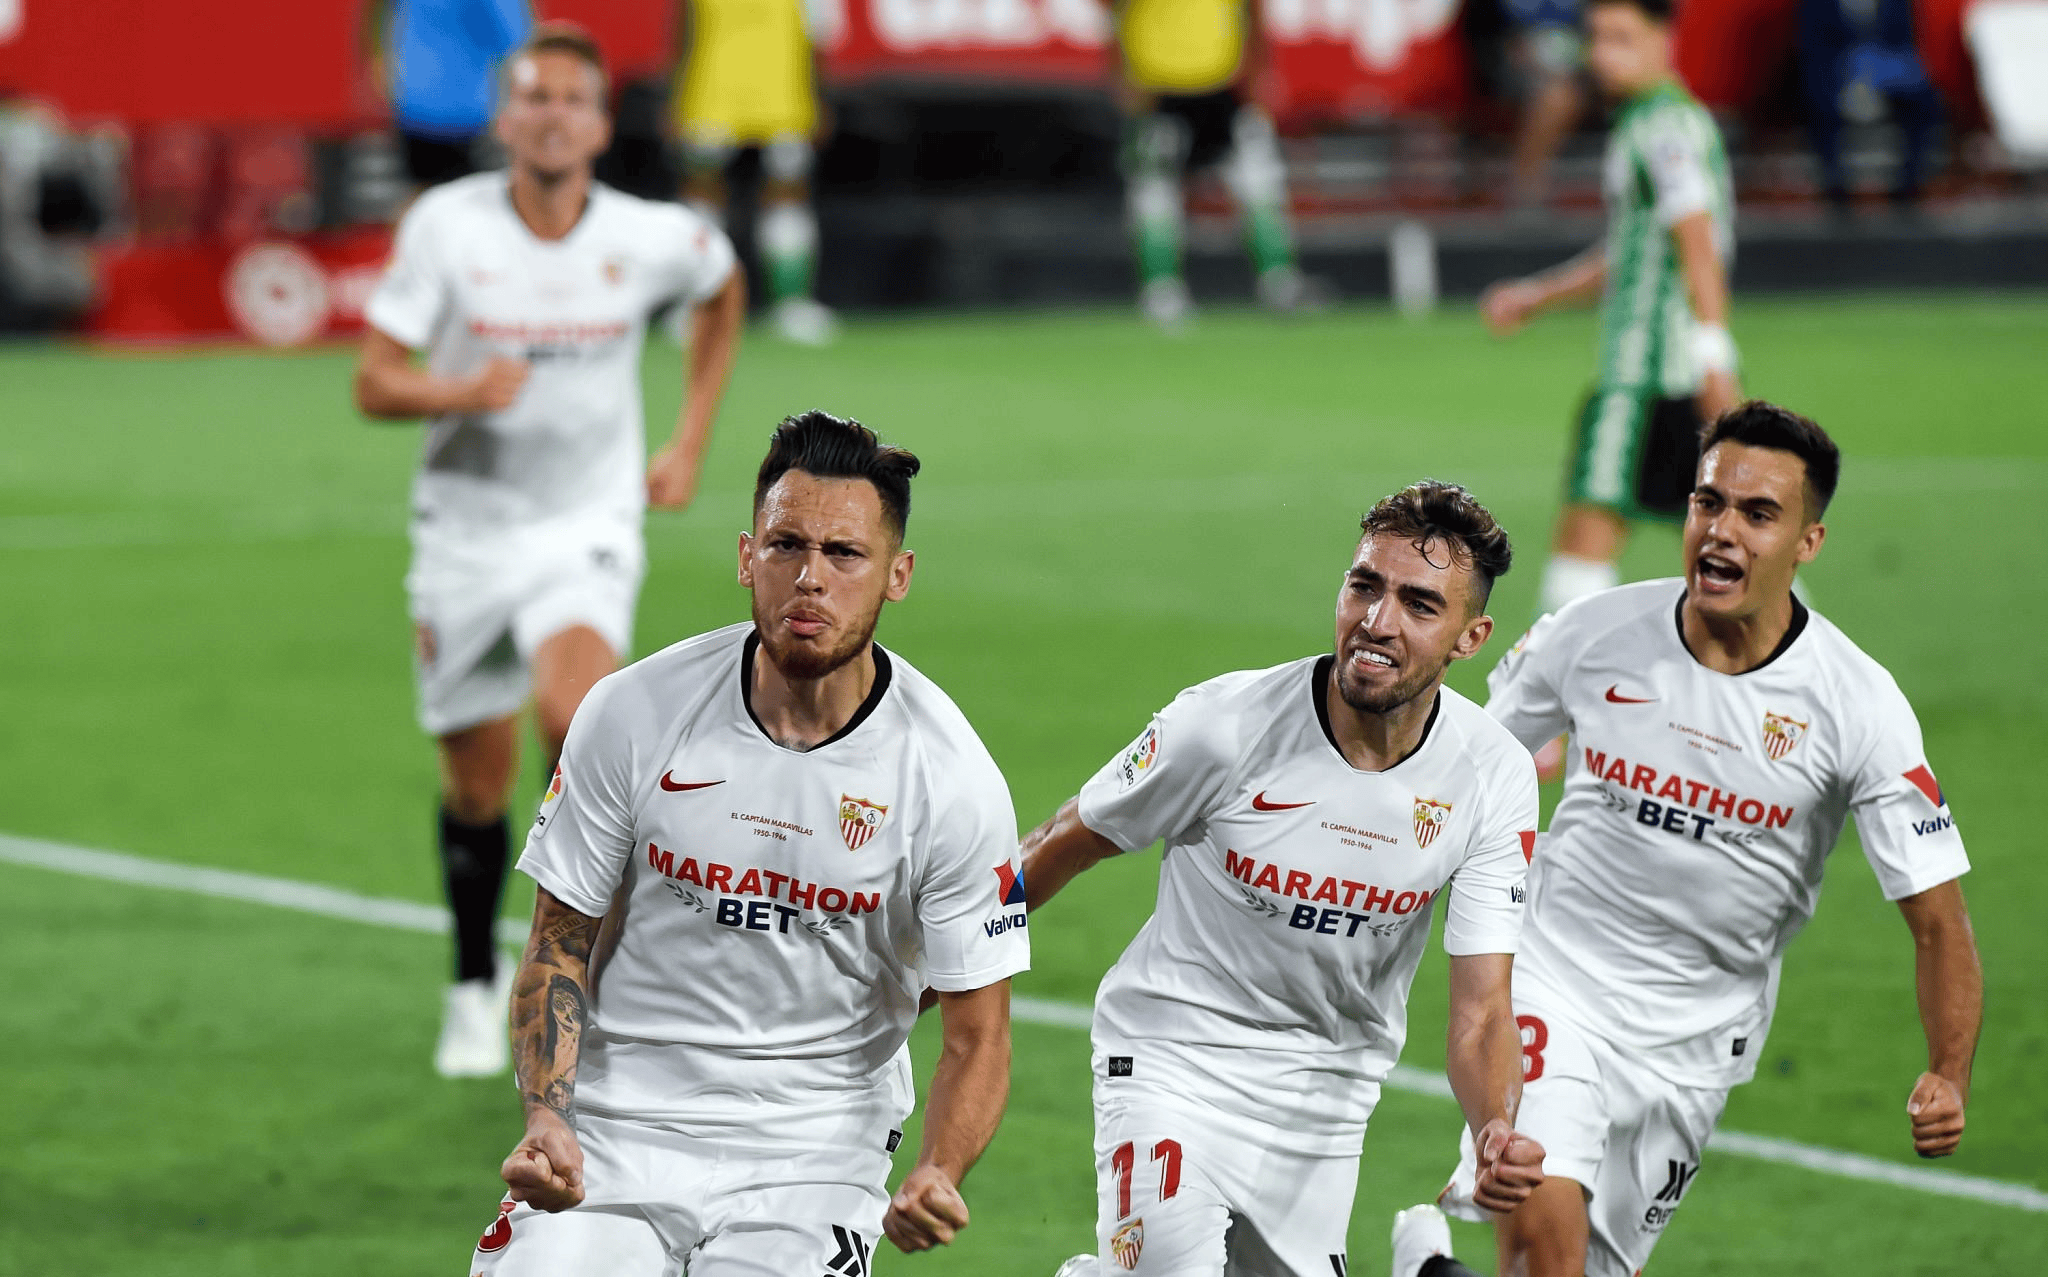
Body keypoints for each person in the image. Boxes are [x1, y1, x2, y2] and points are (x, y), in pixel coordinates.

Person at [1394, 402, 1981, 1277]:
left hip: (1699, 1047)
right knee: (1545, 1253)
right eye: (1709, 502)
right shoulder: (1592, 634)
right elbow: (1456, 767)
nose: (1722, 530)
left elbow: (1938, 919)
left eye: (1758, 513)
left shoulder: (1857, 704)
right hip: (1556, 986)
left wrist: (1948, 1071)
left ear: (1808, 542)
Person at [474, 410, 1031, 1274]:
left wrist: (939, 1169)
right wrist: (547, 1115)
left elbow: (978, 1035)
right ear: (746, 556)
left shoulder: (951, 777)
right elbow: (558, 942)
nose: (811, 578)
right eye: (786, 545)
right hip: (619, 1125)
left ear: (898, 575)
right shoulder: (633, 712)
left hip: (817, 1152)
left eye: (845, 554)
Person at [353, 23, 747, 1078]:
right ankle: (470, 980)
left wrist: (688, 439)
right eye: (534, 97)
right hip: (464, 536)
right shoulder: (446, 226)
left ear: (602, 124)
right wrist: (455, 390)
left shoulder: (647, 234)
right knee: (475, 784)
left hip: (586, 527)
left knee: (577, 722)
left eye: (573, 99)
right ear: (504, 117)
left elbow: (722, 286)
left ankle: (575, 976)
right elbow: (372, 379)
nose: (553, 115)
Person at [1032, 482, 1547, 1277]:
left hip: (1326, 1100)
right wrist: (925, 975)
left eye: (1418, 604)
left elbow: (1482, 1014)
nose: (1377, 621)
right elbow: (1061, 843)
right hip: (1174, 1061)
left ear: (1469, 636)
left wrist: (1496, 1127)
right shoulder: (1225, 726)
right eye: (1365, 585)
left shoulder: (1492, 775)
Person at [1479, 0, 1738, 639]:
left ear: (1664, 39)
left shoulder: (1662, 129)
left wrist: (1714, 356)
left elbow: (1696, 239)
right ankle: (1799, 670)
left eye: (1623, 37)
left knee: (1587, 533)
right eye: (1596, 38)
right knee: (1733, 540)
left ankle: (1548, 692)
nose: (1603, 54)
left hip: (1644, 375)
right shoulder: (1660, 121)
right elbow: (1632, 256)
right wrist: (1537, 297)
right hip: (1674, 371)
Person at [1113, 0, 1326, 328]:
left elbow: (1253, 12)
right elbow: (1114, 14)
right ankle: (1161, 290)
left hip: (1224, 85)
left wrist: (1259, 73)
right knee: (1154, 193)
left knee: (1260, 183)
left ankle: (1278, 281)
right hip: (1158, 86)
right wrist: (1122, 75)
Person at [671, 0, 837, 345]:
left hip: (779, 89)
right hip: (714, 87)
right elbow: (684, 26)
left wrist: (818, 96)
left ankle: (791, 304)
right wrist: (676, 93)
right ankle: (696, 304)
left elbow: (817, 35)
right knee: (704, 190)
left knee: (786, 192)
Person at [370, 0, 533, 195]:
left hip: (414, 102)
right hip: (463, 111)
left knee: (422, 193)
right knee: (464, 200)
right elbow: (517, 41)